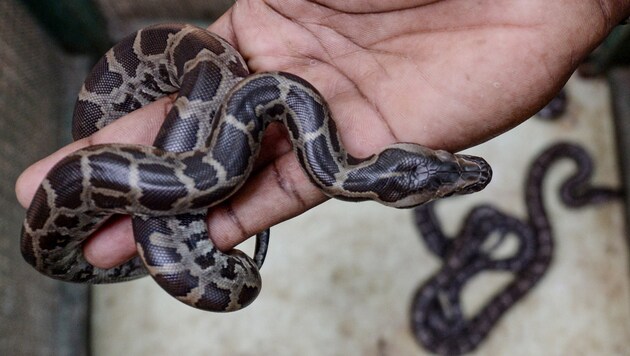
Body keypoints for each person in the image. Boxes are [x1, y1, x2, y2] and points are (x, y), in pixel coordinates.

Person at [14, 1, 630, 269]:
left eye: (440, 174)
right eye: (442, 167)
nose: (458, 171)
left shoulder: (285, 102)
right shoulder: (283, 102)